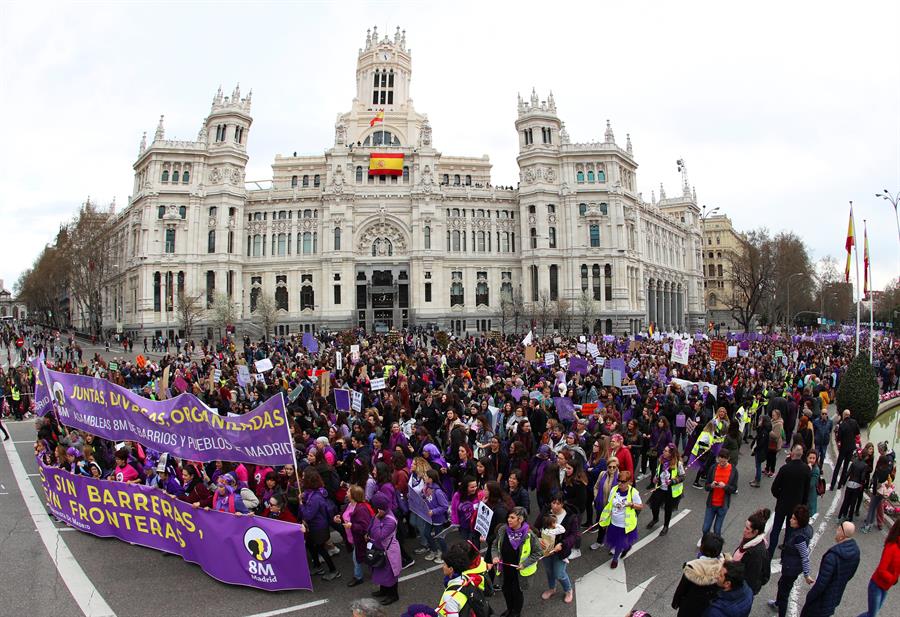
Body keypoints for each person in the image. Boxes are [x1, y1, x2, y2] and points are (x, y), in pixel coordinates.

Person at [800, 521, 860, 617]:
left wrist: (810, 596)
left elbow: (821, 584)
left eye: (839, 529)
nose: (836, 531)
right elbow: (850, 575)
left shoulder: (832, 557)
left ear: (842, 534)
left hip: (820, 602)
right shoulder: (855, 552)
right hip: (834, 598)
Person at [492, 506, 541, 617]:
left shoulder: (529, 535)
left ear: (521, 519)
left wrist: (525, 564)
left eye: (512, 517)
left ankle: (516, 613)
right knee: (506, 591)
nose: (509, 519)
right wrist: (495, 556)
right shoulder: (503, 530)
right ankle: (509, 609)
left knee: (516, 593)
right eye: (509, 517)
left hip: (519, 572)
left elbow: (538, 553)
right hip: (504, 569)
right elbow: (495, 545)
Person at [769, 505, 814, 617]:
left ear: (799, 521)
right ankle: (777, 603)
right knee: (781, 584)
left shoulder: (799, 537)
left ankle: (781, 610)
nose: (790, 520)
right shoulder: (805, 529)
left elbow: (804, 556)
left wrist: (807, 574)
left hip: (791, 568)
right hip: (791, 566)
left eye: (794, 519)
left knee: (784, 593)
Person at [769, 443, 811, 558]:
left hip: (782, 503)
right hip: (796, 507)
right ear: (802, 454)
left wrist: (780, 496)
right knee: (790, 531)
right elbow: (807, 491)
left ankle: (770, 552)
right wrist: (803, 505)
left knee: (776, 528)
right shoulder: (806, 469)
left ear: (792, 453)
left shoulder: (785, 468)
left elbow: (774, 488)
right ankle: (784, 555)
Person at [535, 496, 578, 604]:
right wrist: (539, 539)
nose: (554, 506)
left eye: (558, 503)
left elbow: (573, 535)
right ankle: (552, 589)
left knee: (559, 573)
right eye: (553, 503)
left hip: (561, 551)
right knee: (549, 571)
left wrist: (562, 544)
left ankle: (568, 590)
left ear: (563, 504)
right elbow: (536, 527)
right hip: (546, 549)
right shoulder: (545, 512)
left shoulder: (571, 517)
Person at [672, 532, 725, 617]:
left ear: (702, 547)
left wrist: (675, 603)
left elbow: (682, 588)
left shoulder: (692, 567)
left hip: (689, 607)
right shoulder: (723, 565)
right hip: (709, 607)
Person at [300, 468, 340, 581]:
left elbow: (308, 515)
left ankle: (333, 570)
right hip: (314, 526)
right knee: (310, 545)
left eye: (304, 476)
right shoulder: (313, 493)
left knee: (320, 548)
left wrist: (301, 504)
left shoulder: (316, 497)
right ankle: (318, 566)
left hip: (318, 527)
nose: (302, 478)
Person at [598, 470, 643, 568]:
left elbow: (640, 506)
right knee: (615, 541)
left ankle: (615, 559)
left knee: (619, 543)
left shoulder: (633, 492)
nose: (620, 483)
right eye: (618, 480)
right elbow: (609, 504)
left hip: (625, 524)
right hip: (614, 522)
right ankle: (626, 546)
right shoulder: (614, 489)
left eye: (623, 482)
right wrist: (605, 519)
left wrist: (631, 504)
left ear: (629, 482)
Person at [857, 518, 900, 617]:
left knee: (872, 614)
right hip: (877, 585)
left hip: (885, 586)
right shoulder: (891, 547)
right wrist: (893, 578)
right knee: (872, 615)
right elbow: (882, 570)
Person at [369, 492, 401, 605]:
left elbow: (378, 536)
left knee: (390, 574)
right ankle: (384, 591)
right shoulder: (382, 513)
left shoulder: (390, 521)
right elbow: (370, 527)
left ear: (378, 508)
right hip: (381, 550)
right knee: (381, 571)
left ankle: (393, 595)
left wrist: (376, 519)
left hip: (389, 552)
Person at [646, 443, 684, 535]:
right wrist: (655, 478)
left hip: (670, 491)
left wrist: (673, 481)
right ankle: (655, 519)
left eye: (666, 451)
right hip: (660, 488)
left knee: (668, 509)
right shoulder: (662, 460)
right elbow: (658, 472)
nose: (663, 452)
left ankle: (666, 526)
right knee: (654, 505)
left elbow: (682, 476)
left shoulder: (678, 463)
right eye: (664, 450)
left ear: (671, 453)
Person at [436, 542, 483, 617]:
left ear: (451, 569)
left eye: (444, 564)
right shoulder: (467, 579)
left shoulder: (449, 596)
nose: (443, 567)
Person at [341, 484, 374, 587]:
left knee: (359, 558)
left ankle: (359, 577)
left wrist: (352, 525)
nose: (346, 492)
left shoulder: (361, 509)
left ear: (353, 495)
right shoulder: (350, 504)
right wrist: (339, 518)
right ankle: (375, 573)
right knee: (364, 557)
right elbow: (346, 516)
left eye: (348, 491)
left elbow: (365, 527)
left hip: (360, 539)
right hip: (353, 538)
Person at [732, 508, 770, 596]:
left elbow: (750, 579)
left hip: (742, 591)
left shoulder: (756, 554)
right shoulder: (749, 541)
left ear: (756, 532)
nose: (744, 530)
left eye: (747, 528)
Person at [702, 449, 738, 538]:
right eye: (720, 460)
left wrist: (725, 486)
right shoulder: (713, 468)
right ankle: (705, 543)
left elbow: (734, 489)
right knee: (705, 528)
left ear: (728, 459)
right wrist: (711, 485)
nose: (721, 463)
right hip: (711, 504)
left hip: (723, 505)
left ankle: (715, 549)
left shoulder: (733, 470)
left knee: (717, 530)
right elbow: (706, 486)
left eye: (724, 461)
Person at [863, 442, 896, 533]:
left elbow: (882, 474)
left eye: (878, 449)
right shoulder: (888, 458)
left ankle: (871, 524)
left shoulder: (886, 460)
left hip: (880, 487)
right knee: (877, 504)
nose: (877, 451)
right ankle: (873, 521)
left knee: (874, 505)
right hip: (883, 487)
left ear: (881, 450)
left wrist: (874, 484)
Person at [829, 409, 860, 491]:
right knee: (845, 466)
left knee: (838, 466)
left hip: (843, 448)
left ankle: (832, 485)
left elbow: (839, 438)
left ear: (844, 415)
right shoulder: (854, 422)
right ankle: (840, 484)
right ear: (849, 415)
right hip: (851, 448)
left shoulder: (842, 425)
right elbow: (857, 433)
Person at [749, 413, 772, 488]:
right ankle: (756, 479)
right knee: (757, 465)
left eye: (760, 420)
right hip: (760, 450)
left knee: (758, 466)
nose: (759, 421)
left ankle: (757, 481)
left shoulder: (764, 432)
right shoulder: (762, 429)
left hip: (760, 451)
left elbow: (761, 443)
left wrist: (755, 449)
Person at [806, 450, 821, 517]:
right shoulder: (806, 466)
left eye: (813, 458)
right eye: (810, 458)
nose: (811, 460)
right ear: (807, 458)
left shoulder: (815, 470)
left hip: (810, 496)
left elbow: (811, 484)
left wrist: (808, 470)